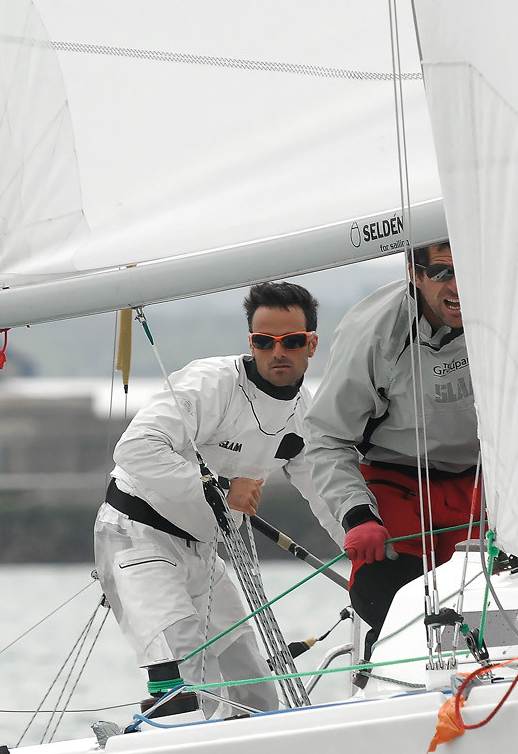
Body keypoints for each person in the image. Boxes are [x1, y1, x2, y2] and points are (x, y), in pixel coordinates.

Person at [94, 281, 344, 720]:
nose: (277, 352)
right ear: (251, 342)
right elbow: (134, 449)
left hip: (204, 553)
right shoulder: (210, 385)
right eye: (263, 342)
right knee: (186, 683)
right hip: (138, 538)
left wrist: (364, 552)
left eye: (291, 341)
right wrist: (221, 489)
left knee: (256, 693)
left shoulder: (304, 415)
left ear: (312, 344)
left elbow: (325, 494)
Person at [305, 242, 481, 657]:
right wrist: (357, 516)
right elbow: (327, 436)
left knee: (501, 603)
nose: (459, 285)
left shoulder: (513, 313)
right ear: (414, 272)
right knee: (384, 597)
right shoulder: (374, 331)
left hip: (481, 483)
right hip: (398, 480)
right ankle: (383, 675)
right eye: (442, 273)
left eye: (469, 268)